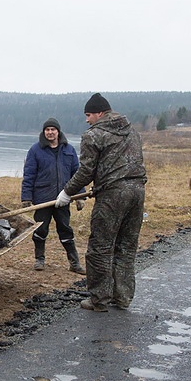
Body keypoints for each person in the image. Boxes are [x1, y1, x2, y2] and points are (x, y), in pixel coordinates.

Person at [56, 93, 147, 312]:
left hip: (112, 195)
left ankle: (99, 299)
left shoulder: (93, 135)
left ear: (99, 113)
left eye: (88, 115)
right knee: (126, 246)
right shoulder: (132, 132)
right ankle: (123, 297)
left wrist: (67, 192)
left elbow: (87, 169)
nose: (87, 120)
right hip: (137, 192)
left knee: (100, 248)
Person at [21, 117, 85, 273]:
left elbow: (77, 174)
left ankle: (74, 263)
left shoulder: (69, 150)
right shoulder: (35, 150)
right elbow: (29, 175)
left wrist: (80, 195)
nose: (50, 132)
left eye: (53, 130)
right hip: (42, 198)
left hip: (64, 198)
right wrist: (26, 197)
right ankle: (39, 259)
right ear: (44, 132)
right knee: (40, 229)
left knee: (65, 229)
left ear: (58, 131)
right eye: (47, 130)